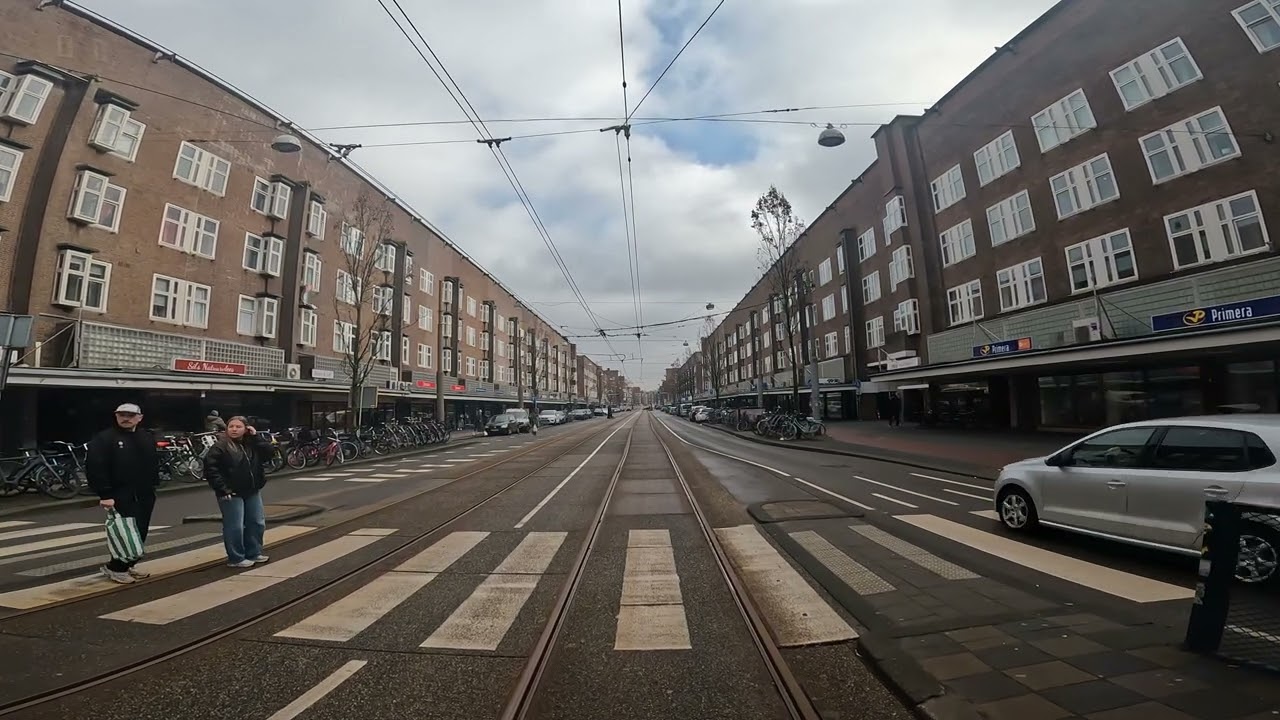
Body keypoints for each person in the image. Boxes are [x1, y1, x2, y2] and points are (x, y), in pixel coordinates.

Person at [86, 402, 160, 584]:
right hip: (119, 493)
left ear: (139, 418)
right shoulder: (105, 439)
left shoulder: (145, 436)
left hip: (144, 493)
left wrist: (154, 484)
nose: (126, 418)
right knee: (123, 532)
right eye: (122, 415)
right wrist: (105, 494)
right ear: (116, 416)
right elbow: (95, 467)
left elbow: (152, 463)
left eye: (130, 415)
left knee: (139, 530)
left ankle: (129, 563)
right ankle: (116, 567)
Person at [202, 416, 271, 568]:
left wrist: (256, 437)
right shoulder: (220, 446)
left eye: (238, 426)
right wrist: (222, 488)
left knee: (256, 523)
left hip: (252, 490)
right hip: (231, 492)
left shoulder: (251, 444)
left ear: (246, 429)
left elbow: (269, 454)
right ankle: (236, 557)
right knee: (235, 526)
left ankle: (254, 552)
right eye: (231, 426)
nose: (234, 429)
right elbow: (210, 469)